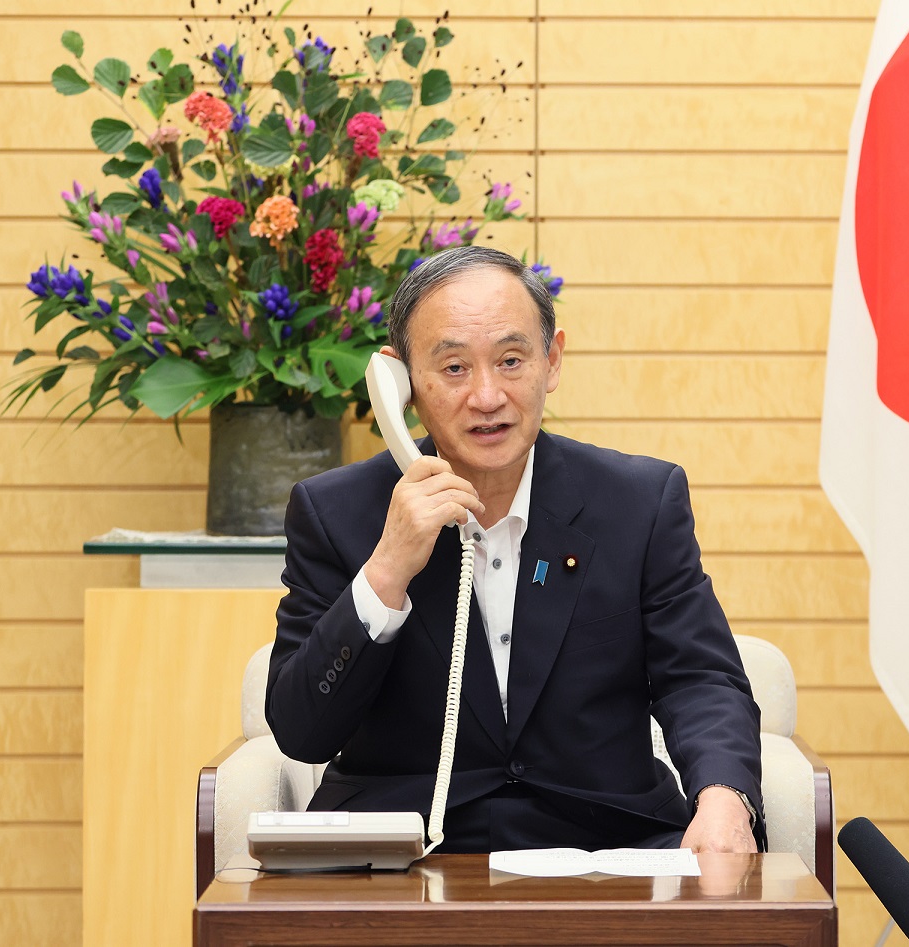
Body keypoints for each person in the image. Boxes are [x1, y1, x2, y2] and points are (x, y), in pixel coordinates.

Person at [266, 245, 764, 853]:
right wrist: (386, 569)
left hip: (606, 843)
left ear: (551, 362)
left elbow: (700, 678)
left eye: (510, 360)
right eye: (453, 368)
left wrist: (722, 797)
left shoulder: (639, 501)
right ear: (398, 382)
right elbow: (301, 733)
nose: (486, 396)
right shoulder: (337, 512)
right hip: (410, 853)